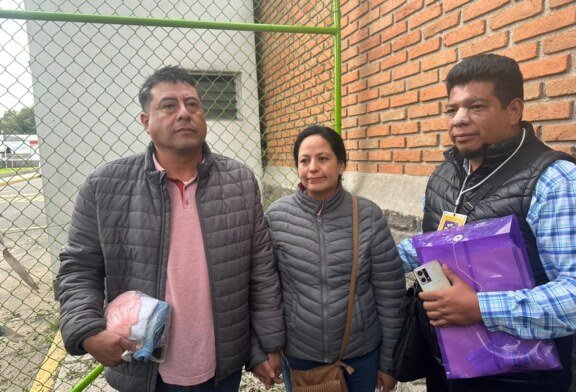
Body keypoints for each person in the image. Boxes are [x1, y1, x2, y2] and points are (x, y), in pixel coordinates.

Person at [57, 65, 285, 392]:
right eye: (169, 105)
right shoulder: (104, 186)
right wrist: (87, 330)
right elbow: (79, 267)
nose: (184, 113)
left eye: (192, 104)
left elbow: (261, 271)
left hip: (221, 367)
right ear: (146, 122)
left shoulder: (240, 182)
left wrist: (267, 343)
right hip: (145, 368)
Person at [398, 53, 576, 392]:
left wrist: (480, 308)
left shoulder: (556, 181)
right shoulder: (444, 176)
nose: (458, 120)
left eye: (476, 107)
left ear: (513, 111)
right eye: (452, 109)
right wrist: (369, 261)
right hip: (447, 365)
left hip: (520, 377)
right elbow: (432, 245)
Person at [264, 125, 405, 392]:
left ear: (341, 165)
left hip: (359, 357)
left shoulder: (368, 216)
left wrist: (388, 364)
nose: (313, 168)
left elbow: (390, 295)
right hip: (300, 357)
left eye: (323, 158)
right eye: (304, 161)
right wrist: (265, 348)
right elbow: (264, 290)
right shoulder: (276, 217)